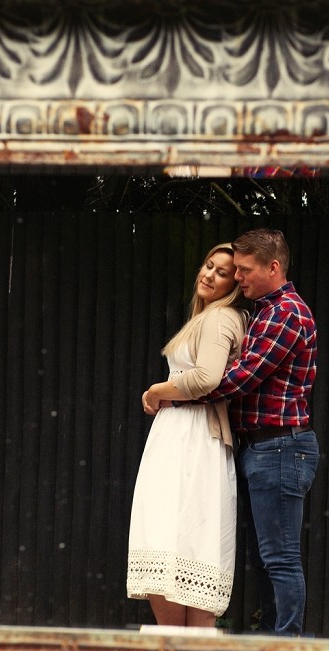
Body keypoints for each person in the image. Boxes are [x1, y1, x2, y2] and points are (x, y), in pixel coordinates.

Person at [145, 228, 318, 637]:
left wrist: (169, 394)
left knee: (280, 558)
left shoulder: (286, 314)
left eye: (243, 270)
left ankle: (284, 646)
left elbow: (234, 380)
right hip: (262, 447)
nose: (238, 279)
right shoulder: (262, 311)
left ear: (272, 267)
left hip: (281, 445)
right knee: (265, 557)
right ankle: (270, 639)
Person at [127, 243, 250, 628]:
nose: (210, 275)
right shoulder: (207, 318)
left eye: (223, 272)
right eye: (208, 266)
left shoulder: (219, 318)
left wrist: (155, 390)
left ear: (234, 283)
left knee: (175, 531)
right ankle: (186, 649)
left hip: (192, 436)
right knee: (180, 535)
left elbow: (206, 378)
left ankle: (182, 650)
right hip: (182, 433)